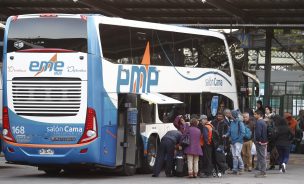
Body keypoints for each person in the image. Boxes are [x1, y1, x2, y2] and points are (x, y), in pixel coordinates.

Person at [223, 110, 245, 174]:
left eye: (231, 114)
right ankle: (235, 169)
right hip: (233, 141)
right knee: (234, 156)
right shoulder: (232, 122)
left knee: (237, 155)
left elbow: (243, 132)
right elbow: (229, 131)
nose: (230, 115)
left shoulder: (240, 122)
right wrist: (226, 135)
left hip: (238, 141)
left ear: (234, 115)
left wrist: (238, 139)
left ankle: (241, 168)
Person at [253, 109, 268, 178]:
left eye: (255, 114)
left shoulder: (259, 122)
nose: (254, 115)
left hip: (260, 142)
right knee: (261, 156)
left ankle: (263, 172)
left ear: (259, 115)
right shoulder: (263, 122)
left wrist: (257, 140)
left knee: (261, 157)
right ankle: (262, 171)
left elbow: (258, 133)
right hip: (263, 141)